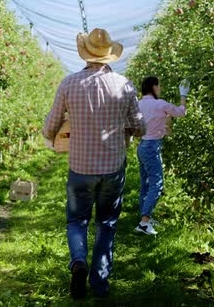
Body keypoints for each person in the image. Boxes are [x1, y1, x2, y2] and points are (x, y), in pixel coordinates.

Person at [43, 28, 146, 300]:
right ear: (109, 55)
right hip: (113, 167)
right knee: (107, 223)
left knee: (77, 220)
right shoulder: (124, 85)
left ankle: (78, 261)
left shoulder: (69, 83)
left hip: (80, 167)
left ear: (85, 54)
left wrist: (53, 136)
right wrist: (127, 129)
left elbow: (51, 125)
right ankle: (100, 283)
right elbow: (139, 126)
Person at [135, 76, 189, 235]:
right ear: (153, 87)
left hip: (142, 145)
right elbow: (181, 112)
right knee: (157, 184)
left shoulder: (138, 104)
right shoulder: (160, 104)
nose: (160, 89)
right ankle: (144, 222)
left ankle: (145, 217)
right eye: (159, 86)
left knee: (145, 183)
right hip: (152, 147)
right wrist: (183, 95)